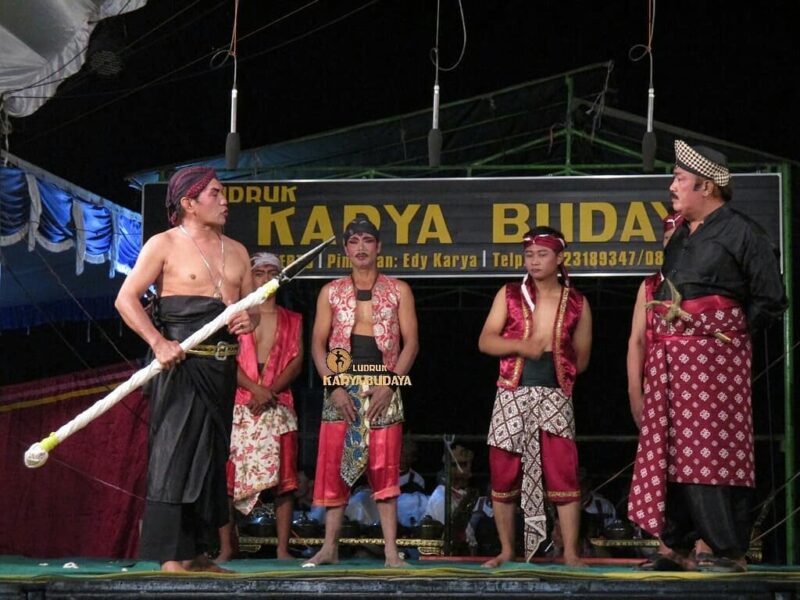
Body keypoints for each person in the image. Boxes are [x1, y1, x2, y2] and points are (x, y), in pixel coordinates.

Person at [627, 140, 787, 573]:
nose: (672, 186)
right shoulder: (681, 234)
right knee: (672, 448)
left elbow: (771, 298)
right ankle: (676, 546)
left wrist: (726, 335)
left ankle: (727, 548)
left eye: (680, 179)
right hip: (673, 357)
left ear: (707, 186)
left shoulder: (742, 232)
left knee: (710, 450)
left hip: (715, 360)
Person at [115, 166, 257, 573]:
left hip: (221, 369)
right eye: (215, 193)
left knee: (211, 459)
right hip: (180, 365)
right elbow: (126, 299)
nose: (225, 201)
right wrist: (158, 342)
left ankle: (196, 552)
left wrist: (249, 320)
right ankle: (170, 556)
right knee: (174, 455)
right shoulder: (163, 244)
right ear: (189, 203)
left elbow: (253, 310)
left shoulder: (238, 251)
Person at [303, 217, 419, 568]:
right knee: (335, 465)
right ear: (345, 249)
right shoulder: (331, 291)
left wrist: (391, 383)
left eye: (367, 240)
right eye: (354, 241)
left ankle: (391, 552)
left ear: (378, 246)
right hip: (341, 385)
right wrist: (333, 386)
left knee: (385, 467)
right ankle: (329, 548)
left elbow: (411, 344)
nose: (361, 247)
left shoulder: (399, 290)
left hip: (385, 384)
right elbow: (317, 345)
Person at [478, 226, 592, 567]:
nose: (534, 261)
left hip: (555, 395)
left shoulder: (577, 302)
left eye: (542, 254)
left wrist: (557, 364)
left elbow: (582, 359)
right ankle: (506, 550)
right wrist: (521, 347)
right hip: (511, 392)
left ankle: (570, 553)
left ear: (559, 258)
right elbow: (486, 341)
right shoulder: (510, 294)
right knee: (504, 471)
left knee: (563, 472)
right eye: (529, 255)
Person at [218, 252, 303, 561]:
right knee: (228, 479)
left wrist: (270, 391)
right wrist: (255, 389)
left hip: (278, 403)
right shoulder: (236, 315)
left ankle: (282, 549)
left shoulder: (293, 318)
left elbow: (297, 361)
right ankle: (227, 547)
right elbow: (225, 357)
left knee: (285, 481)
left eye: (271, 272)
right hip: (242, 402)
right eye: (259, 272)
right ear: (250, 277)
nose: (266, 278)